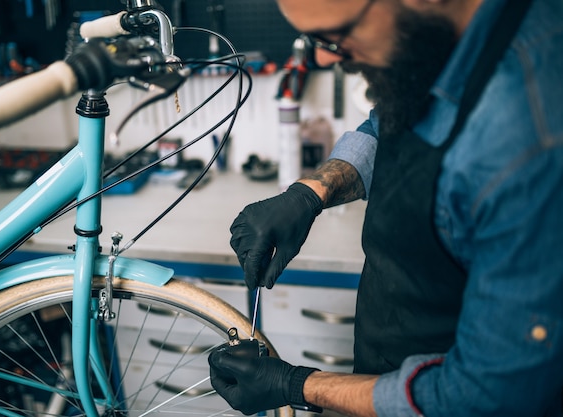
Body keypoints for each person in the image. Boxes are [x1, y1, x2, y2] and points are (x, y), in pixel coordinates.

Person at [207, 0, 563, 416]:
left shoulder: (530, 141)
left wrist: (296, 385)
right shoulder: (435, 42)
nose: (324, 58)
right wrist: (312, 191)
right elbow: (387, 123)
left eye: (337, 35)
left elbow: (485, 397)